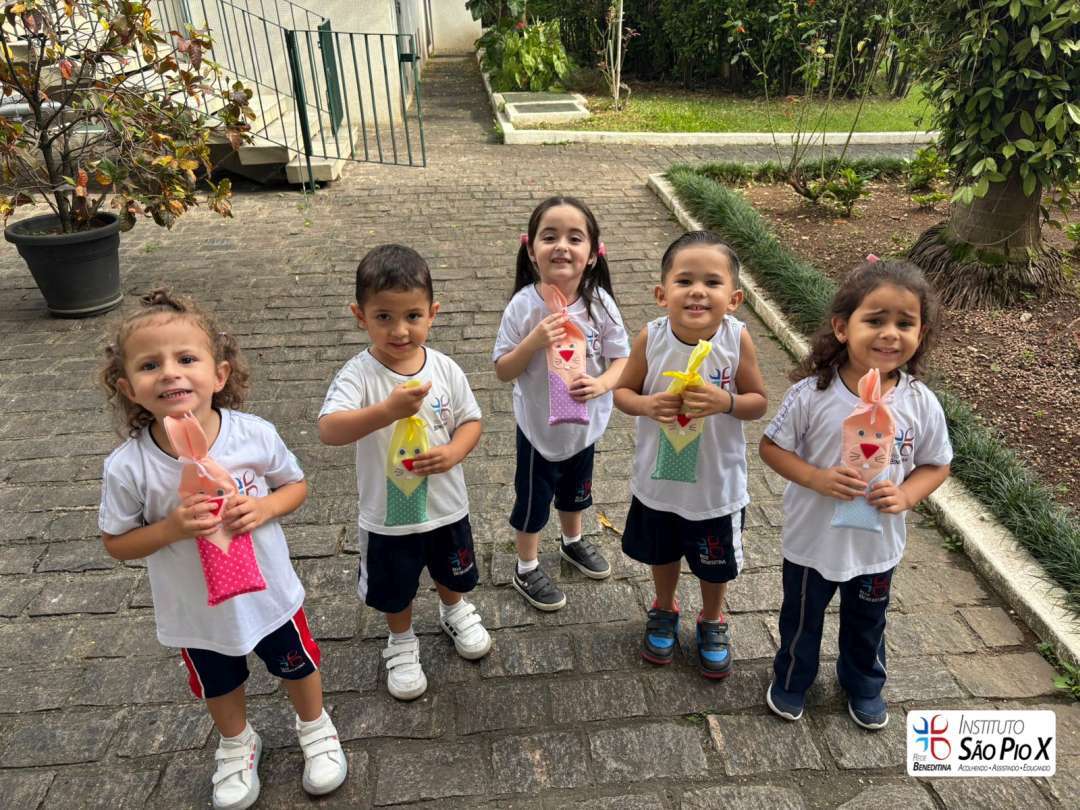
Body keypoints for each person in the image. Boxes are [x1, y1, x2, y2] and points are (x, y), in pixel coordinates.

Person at [98, 290, 346, 810]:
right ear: (128, 388)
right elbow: (117, 542)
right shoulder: (129, 466)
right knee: (218, 682)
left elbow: (295, 485)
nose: (170, 372)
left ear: (219, 374)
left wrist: (265, 508)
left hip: (269, 594)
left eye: (187, 358)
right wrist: (169, 529)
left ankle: (315, 725)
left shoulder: (252, 435)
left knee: (297, 664)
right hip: (197, 611)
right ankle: (237, 741)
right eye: (150, 365)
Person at [760, 257, 952, 730]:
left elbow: (937, 463)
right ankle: (792, 677)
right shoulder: (812, 395)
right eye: (875, 320)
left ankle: (864, 682)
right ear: (842, 328)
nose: (890, 334)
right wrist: (815, 477)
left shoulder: (919, 401)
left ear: (921, 333)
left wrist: (908, 495)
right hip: (812, 543)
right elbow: (771, 448)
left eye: (905, 323)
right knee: (801, 620)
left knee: (868, 622)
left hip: (876, 547)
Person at [319, 244, 490, 702]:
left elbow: (471, 420)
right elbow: (329, 429)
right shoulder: (358, 375)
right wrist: (385, 411)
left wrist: (454, 452)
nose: (399, 330)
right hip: (388, 518)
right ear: (360, 316)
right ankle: (401, 638)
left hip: (445, 506)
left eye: (413, 316)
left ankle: (454, 609)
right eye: (384, 317)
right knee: (394, 585)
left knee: (451, 569)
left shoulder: (445, 368)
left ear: (433, 313)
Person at [613, 231, 767, 678]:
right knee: (662, 552)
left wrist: (726, 401)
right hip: (659, 482)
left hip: (715, 485)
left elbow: (758, 402)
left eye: (712, 282)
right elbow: (623, 392)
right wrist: (646, 404)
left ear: (734, 299)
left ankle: (712, 618)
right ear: (662, 294)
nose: (698, 291)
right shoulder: (652, 337)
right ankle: (664, 607)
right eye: (684, 281)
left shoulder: (736, 341)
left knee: (714, 563)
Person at [493, 196, 630, 611]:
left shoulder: (600, 303)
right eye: (549, 236)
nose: (562, 246)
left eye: (575, 238)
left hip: (584, 426)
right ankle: (526, 565)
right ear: (531, 250)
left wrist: (603, 383)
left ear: (593, 254)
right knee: (533, 501)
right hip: (539, 429)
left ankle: (572, 541)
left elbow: (622, 358)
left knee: (577, 492)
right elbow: (502, 369)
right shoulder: (524, 306)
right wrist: (532, 342)